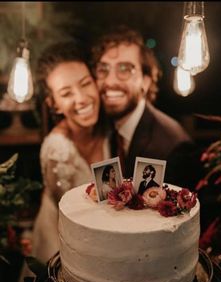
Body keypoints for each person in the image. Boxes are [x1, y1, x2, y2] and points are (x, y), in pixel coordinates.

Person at [24, 41, 110, 265]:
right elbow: (71, 218)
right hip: (61, 246)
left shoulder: (111, 131)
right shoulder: (57, 150)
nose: (81, 98)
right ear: (55, 104)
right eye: (66, 93)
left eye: (85, 84)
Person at [91, 25, 201, 190]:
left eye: (125, 69)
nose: (110, 81)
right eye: (103, 69)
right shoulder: (106, 126)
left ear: (146, 81)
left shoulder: (172, 147)